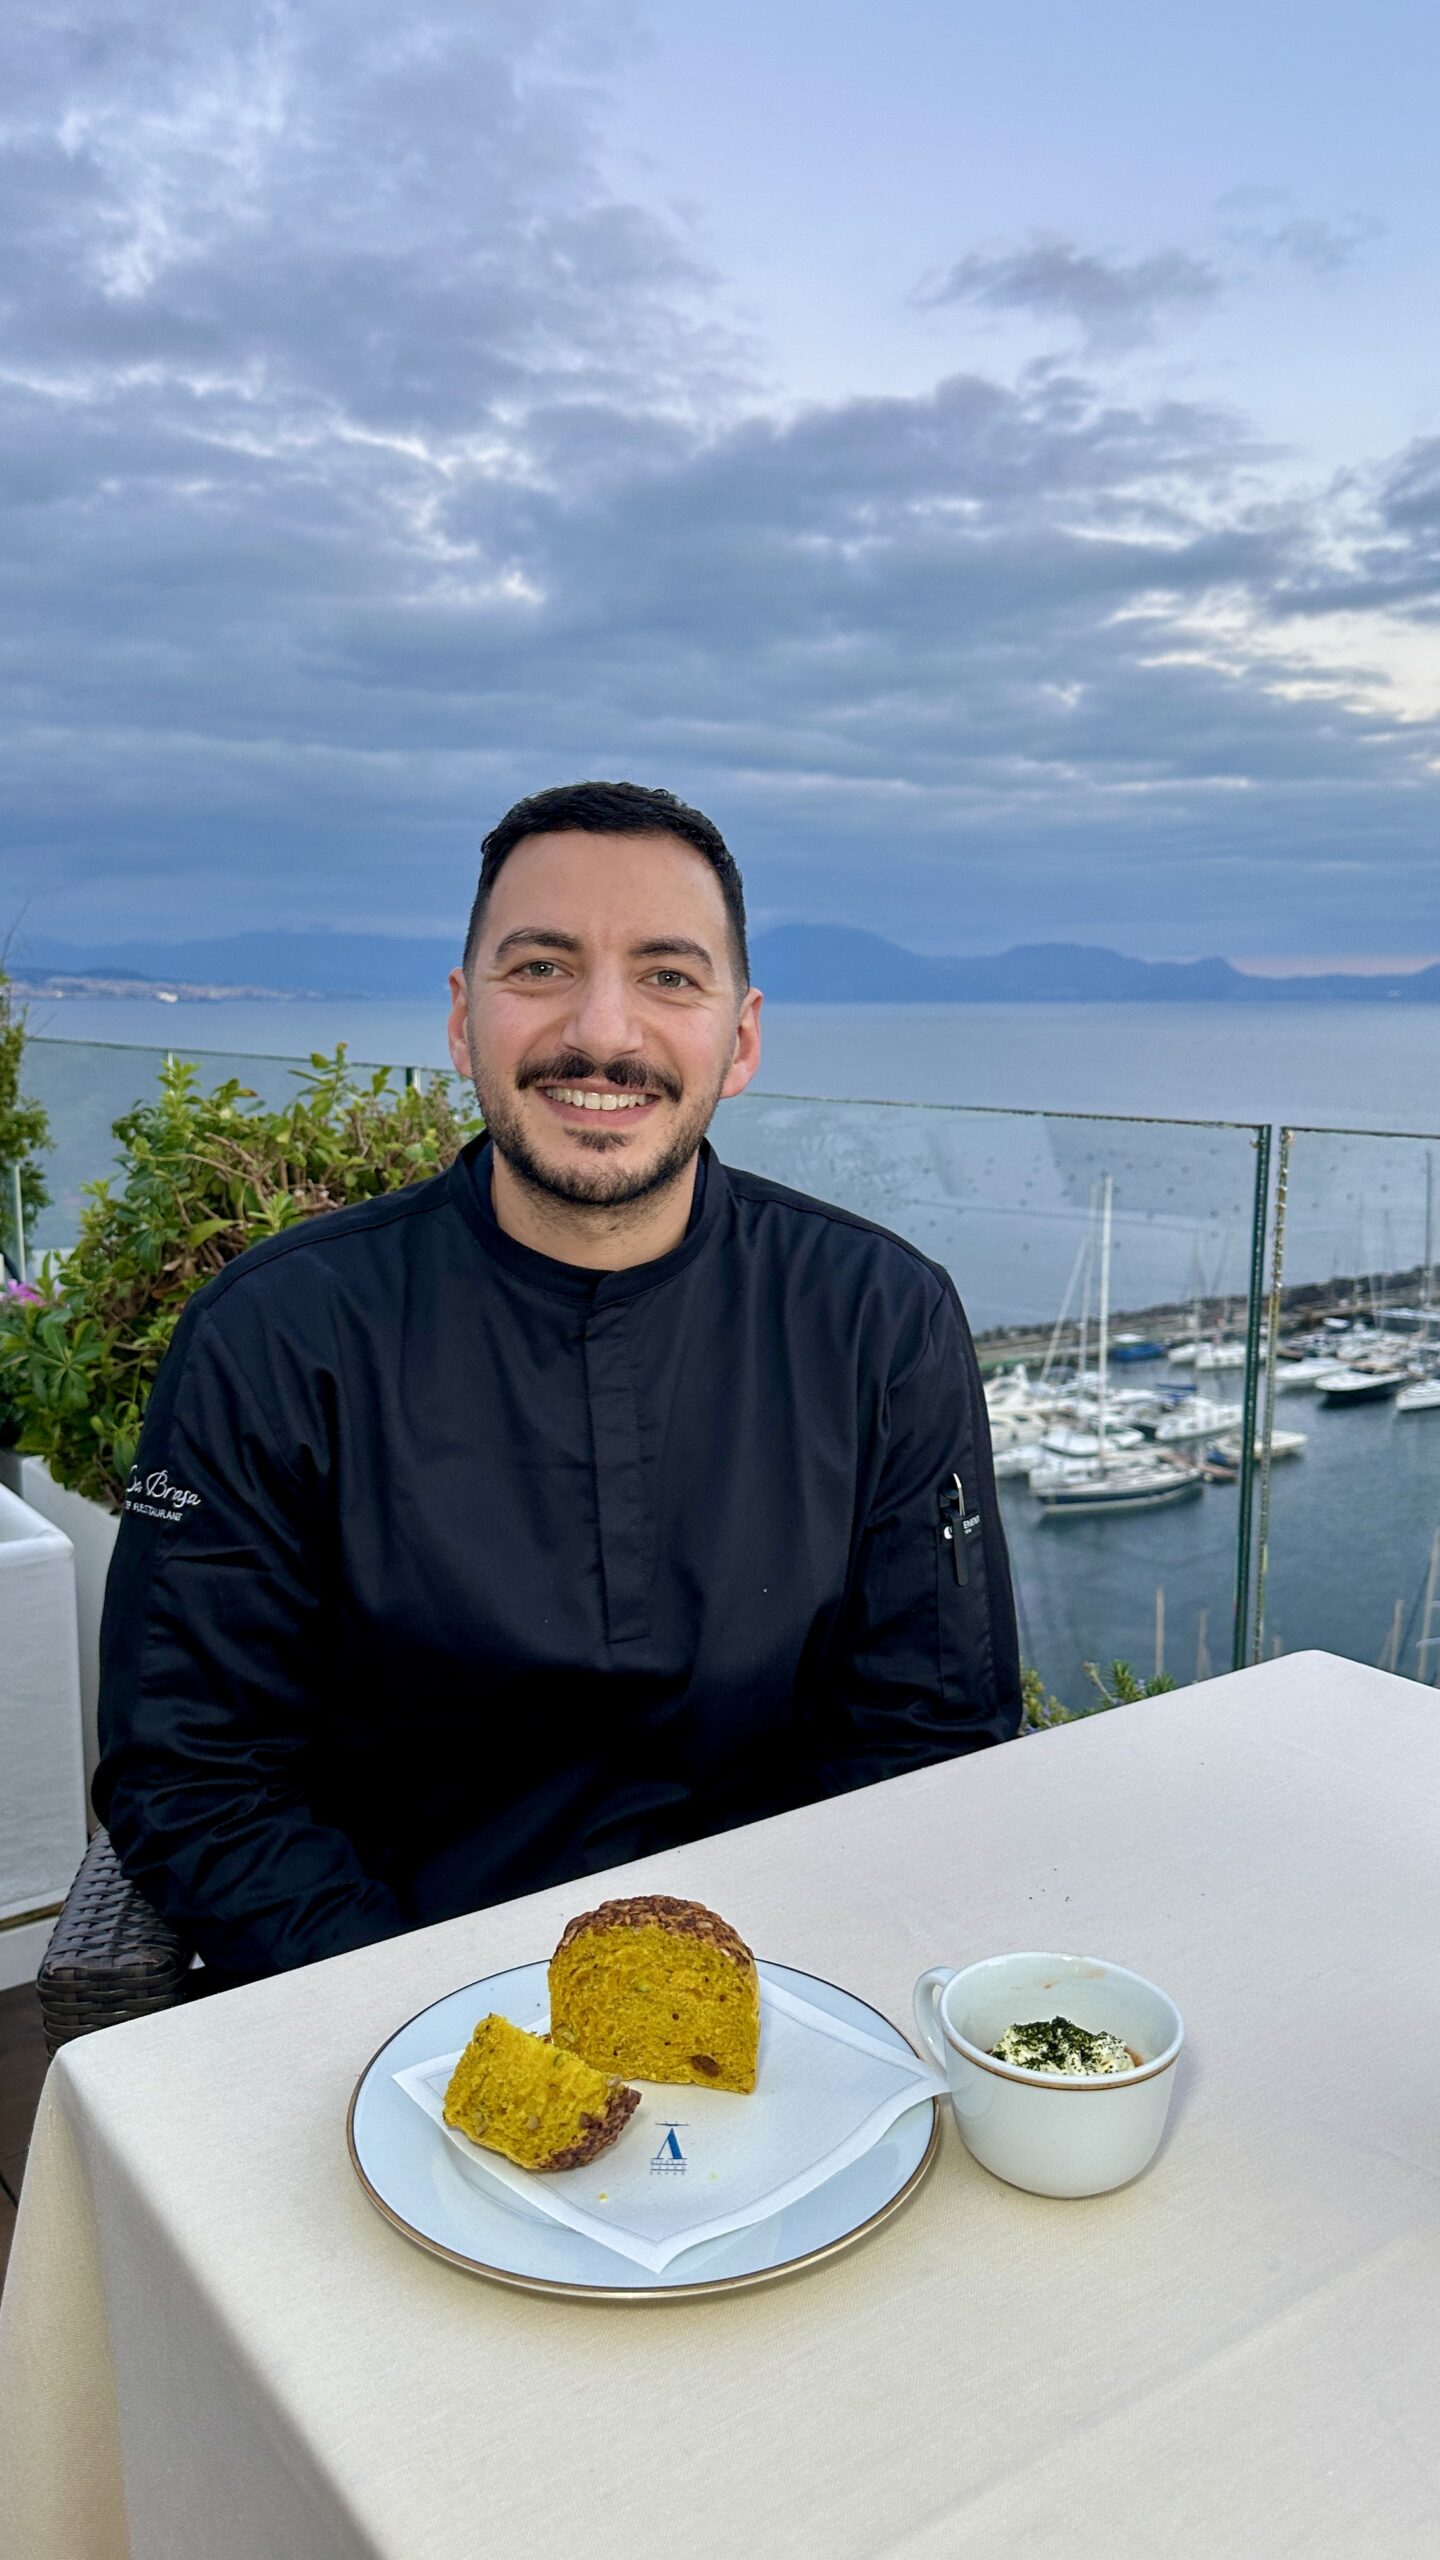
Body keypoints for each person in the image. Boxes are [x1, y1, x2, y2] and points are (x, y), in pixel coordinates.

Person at [95, 782, 1021, 1982]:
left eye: (668, 976)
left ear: (740, 1039)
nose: (603, 1031)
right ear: (461, 1019)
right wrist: (428, 2014)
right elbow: (194, 1769)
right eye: (540, 967)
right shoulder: (277, 1334)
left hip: (784, 1998)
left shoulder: (880, 1320)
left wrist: (763, 1997)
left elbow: (933, 1733)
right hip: (386, 2007)